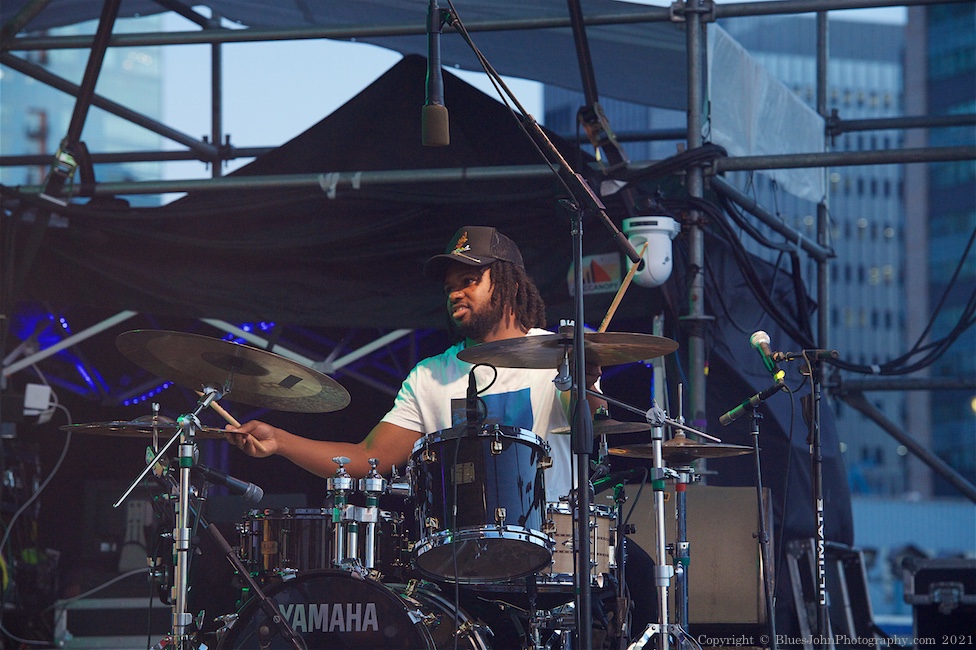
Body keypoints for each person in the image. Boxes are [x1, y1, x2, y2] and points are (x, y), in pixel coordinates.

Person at [224, 225, 603, 501]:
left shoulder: (559, 357)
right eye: (449, 287)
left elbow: (596, 423)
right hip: (458, 561)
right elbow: (369, 457)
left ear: (511, 286)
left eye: (469, 280)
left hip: (554, 549)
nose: (456, 292)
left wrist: (587, 377)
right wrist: (281, 441)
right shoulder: (430, 376)